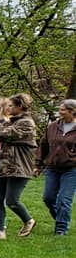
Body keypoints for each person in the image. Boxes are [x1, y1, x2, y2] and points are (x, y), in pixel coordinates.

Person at [0, 94, 38, 238]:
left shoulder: (27, 124)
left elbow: (3, 134)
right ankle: (0, 231)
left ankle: (28, 220)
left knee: (12, 200)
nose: (8, 108)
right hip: (0, 165)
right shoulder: (11, 122)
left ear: (20, 106)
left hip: (17, 167)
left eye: (11, 105)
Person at [39, 99, 76, 235]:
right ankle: (61, 218)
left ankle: (61, 228)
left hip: (71, 169)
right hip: (52, 168)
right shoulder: (53, 126)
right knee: (48, 198)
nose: (60, 112)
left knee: (64, 200)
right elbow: (43, 145)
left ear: (72, 111)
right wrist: (38, 164)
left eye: (63, 110)